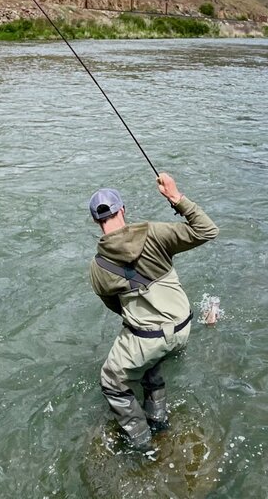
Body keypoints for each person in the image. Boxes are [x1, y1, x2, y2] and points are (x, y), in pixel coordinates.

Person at [88, 172, 219, 450]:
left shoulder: (98, 267)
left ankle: (142, 442)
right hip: (184, 326)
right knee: (149, 360)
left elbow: (115, 306)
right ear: (123, 210)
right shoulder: (156, 233)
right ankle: (159, 420)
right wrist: (175, 197)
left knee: (111, 380)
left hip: (148, 338)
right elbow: (207, 230)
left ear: (95, 221)